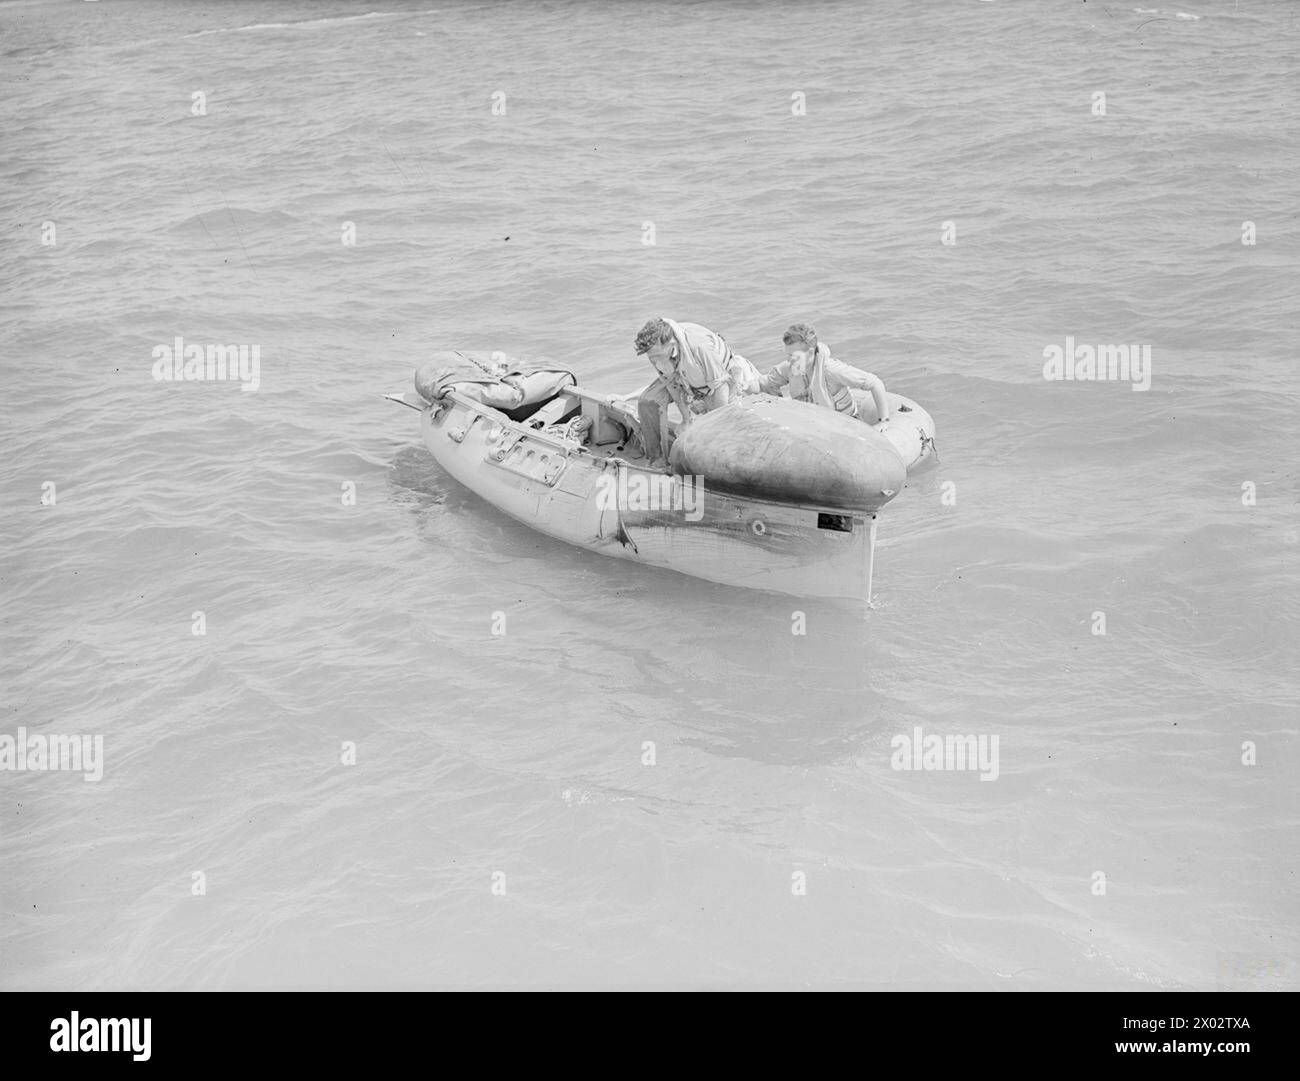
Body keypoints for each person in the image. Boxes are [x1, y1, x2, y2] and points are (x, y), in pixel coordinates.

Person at [633, 318, 761, 468]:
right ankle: (657, 459)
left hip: (726, 380)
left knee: (721, 427)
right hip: (691, 382)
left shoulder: (700, 346)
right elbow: (672, 384)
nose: (653, 360)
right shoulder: (656, 353)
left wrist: (718, 425)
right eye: (650, 356)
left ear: (671, 345)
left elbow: (721, 386)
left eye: (656, 355)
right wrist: (686, 419)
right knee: (647, 401)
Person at [759, 323, 891, 422]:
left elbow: (875, 383)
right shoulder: (791, 367)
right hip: (816, 424)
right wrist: (745, 386)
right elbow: (765, 383)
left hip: (847, 424)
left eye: (794, 355)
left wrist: (884, 421)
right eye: (788, 355)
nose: (790, 359)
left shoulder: (831, 370)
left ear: (810, 351)